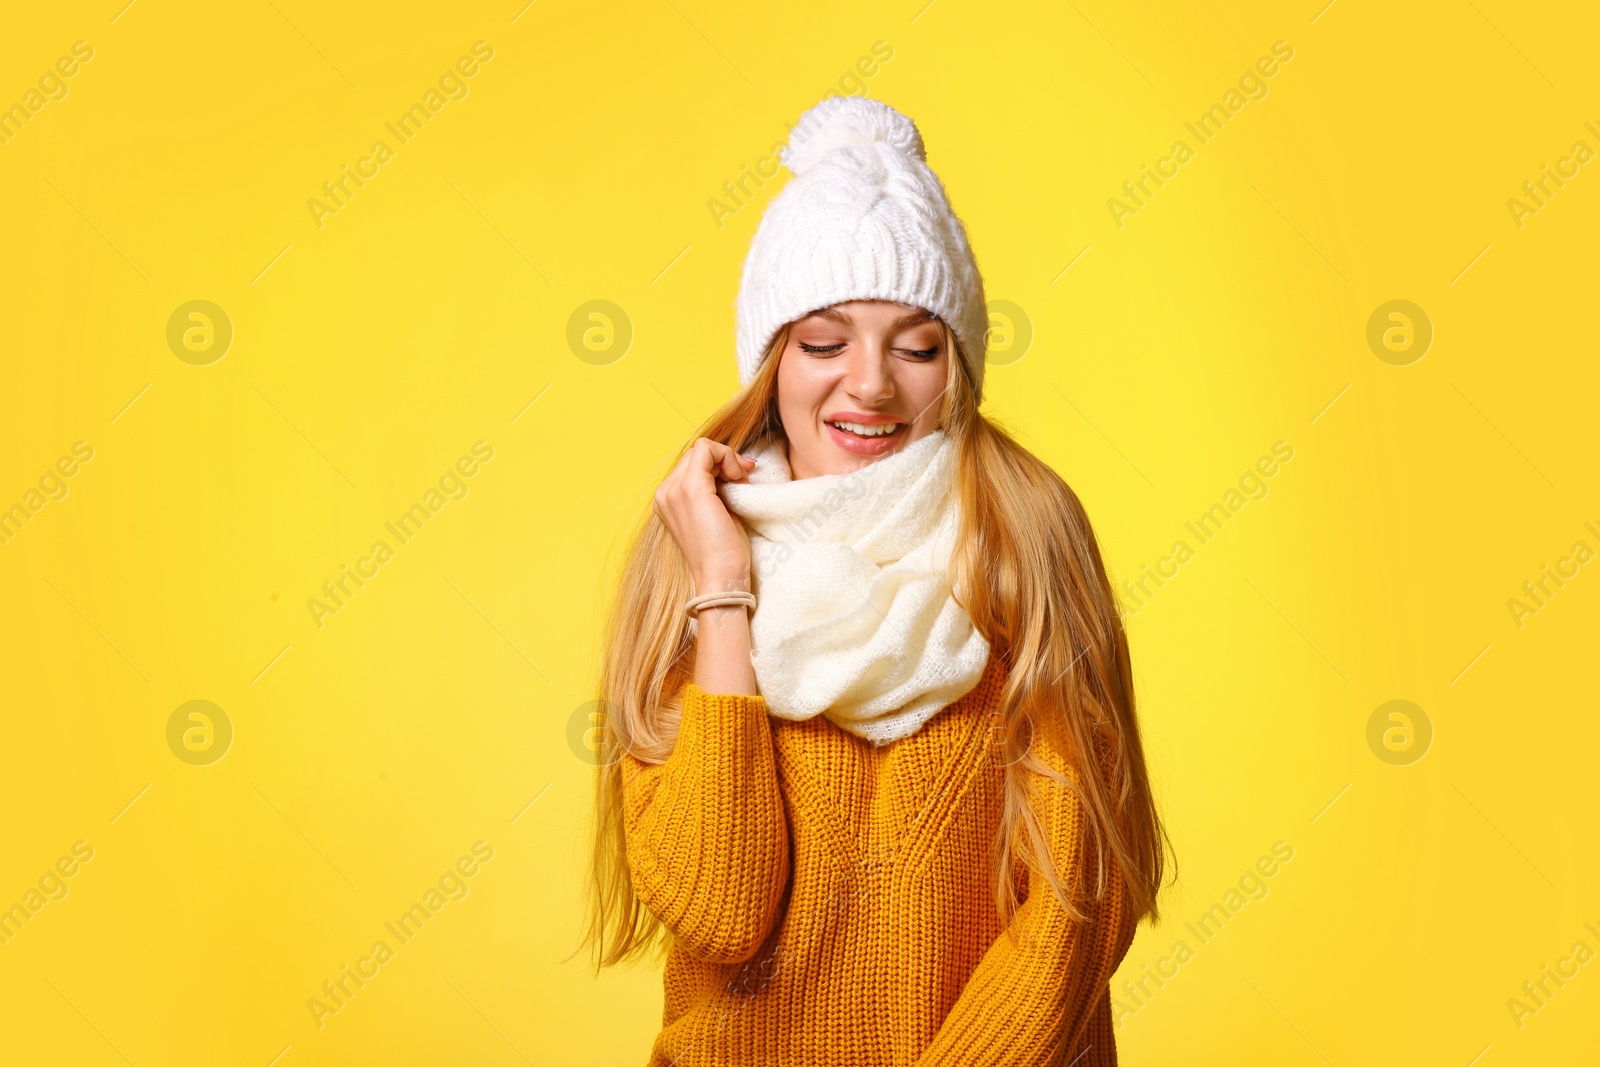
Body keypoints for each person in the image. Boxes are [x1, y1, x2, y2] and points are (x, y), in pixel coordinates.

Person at [576, 94, 1172, 1065]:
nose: (870, 384)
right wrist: (723, 589)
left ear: (961, 365)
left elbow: (1076, 899)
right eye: (823, 342)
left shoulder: (1024, 535)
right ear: (771, 363)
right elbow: (718, 910)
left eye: (916, 344)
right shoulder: (693, 548)